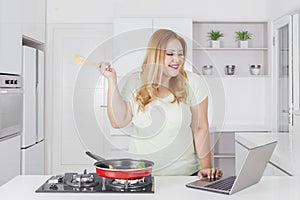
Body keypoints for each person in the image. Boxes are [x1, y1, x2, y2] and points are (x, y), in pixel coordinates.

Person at [98, 29, 223, 179]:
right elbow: (118, 121)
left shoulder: (193, 82)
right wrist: (112, 80)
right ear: (155, 55)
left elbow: (200, 128)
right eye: (170, 54)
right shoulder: (134, 82)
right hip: (144, 175)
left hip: (186, 174)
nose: (177, 59)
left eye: (180, 54)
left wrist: (206, 168)